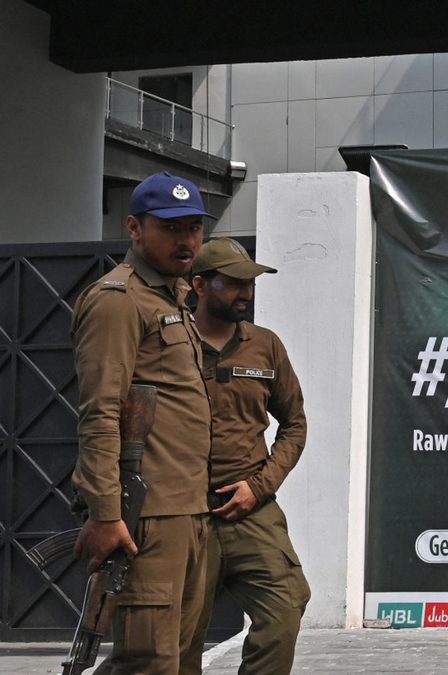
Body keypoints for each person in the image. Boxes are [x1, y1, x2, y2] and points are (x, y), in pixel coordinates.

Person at [71, 172, 212, 674]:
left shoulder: (173, 299)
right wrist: (107, 512)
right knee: (147, 663)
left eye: (195, 227)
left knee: (178, 660)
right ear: (133, 227)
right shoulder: (118, 301)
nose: (187, 239)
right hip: (147, 518)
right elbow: (100, 411)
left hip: (189, 510)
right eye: (172, 228)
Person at [179, 239, 310, 675]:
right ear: (199, 284)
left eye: (249, 283)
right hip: (181, 513)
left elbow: (295, 424)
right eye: (232, 283)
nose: (245, 293)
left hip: (249, 509)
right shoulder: (169, 343)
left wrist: (259, 487)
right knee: (176, 638)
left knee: (285, 609)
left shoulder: (265, 345)